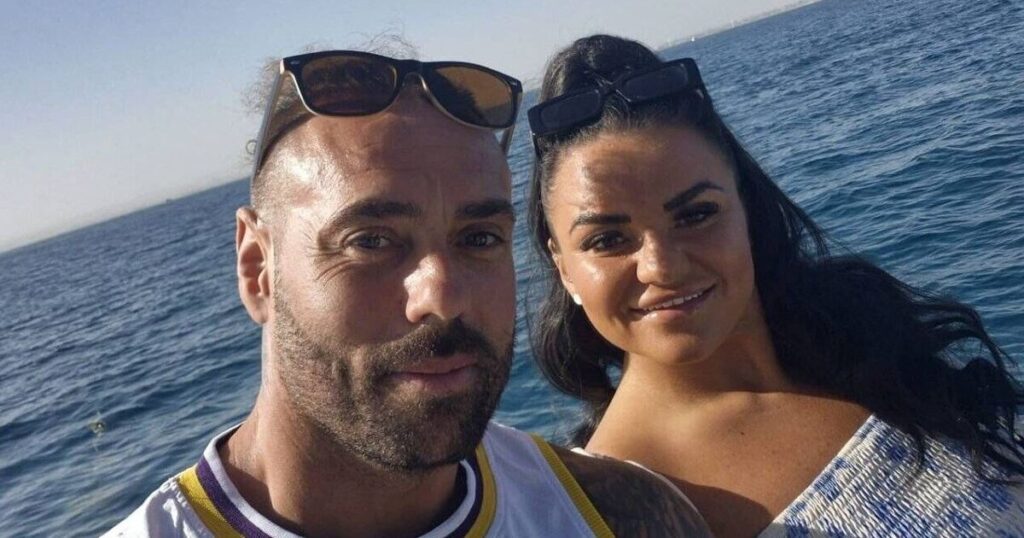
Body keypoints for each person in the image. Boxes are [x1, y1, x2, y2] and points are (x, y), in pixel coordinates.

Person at [105, 44, 711, 537]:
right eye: (371, 241)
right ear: (257, 267)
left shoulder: (614, 515)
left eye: (479, 238)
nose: (441, 297)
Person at [526, 34, 1024, 537]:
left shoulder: (875, 346)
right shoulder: (588, 517)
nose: (662, 267)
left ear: (745, 208)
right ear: (563, 267)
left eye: (696, 215)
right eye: (607, 240)